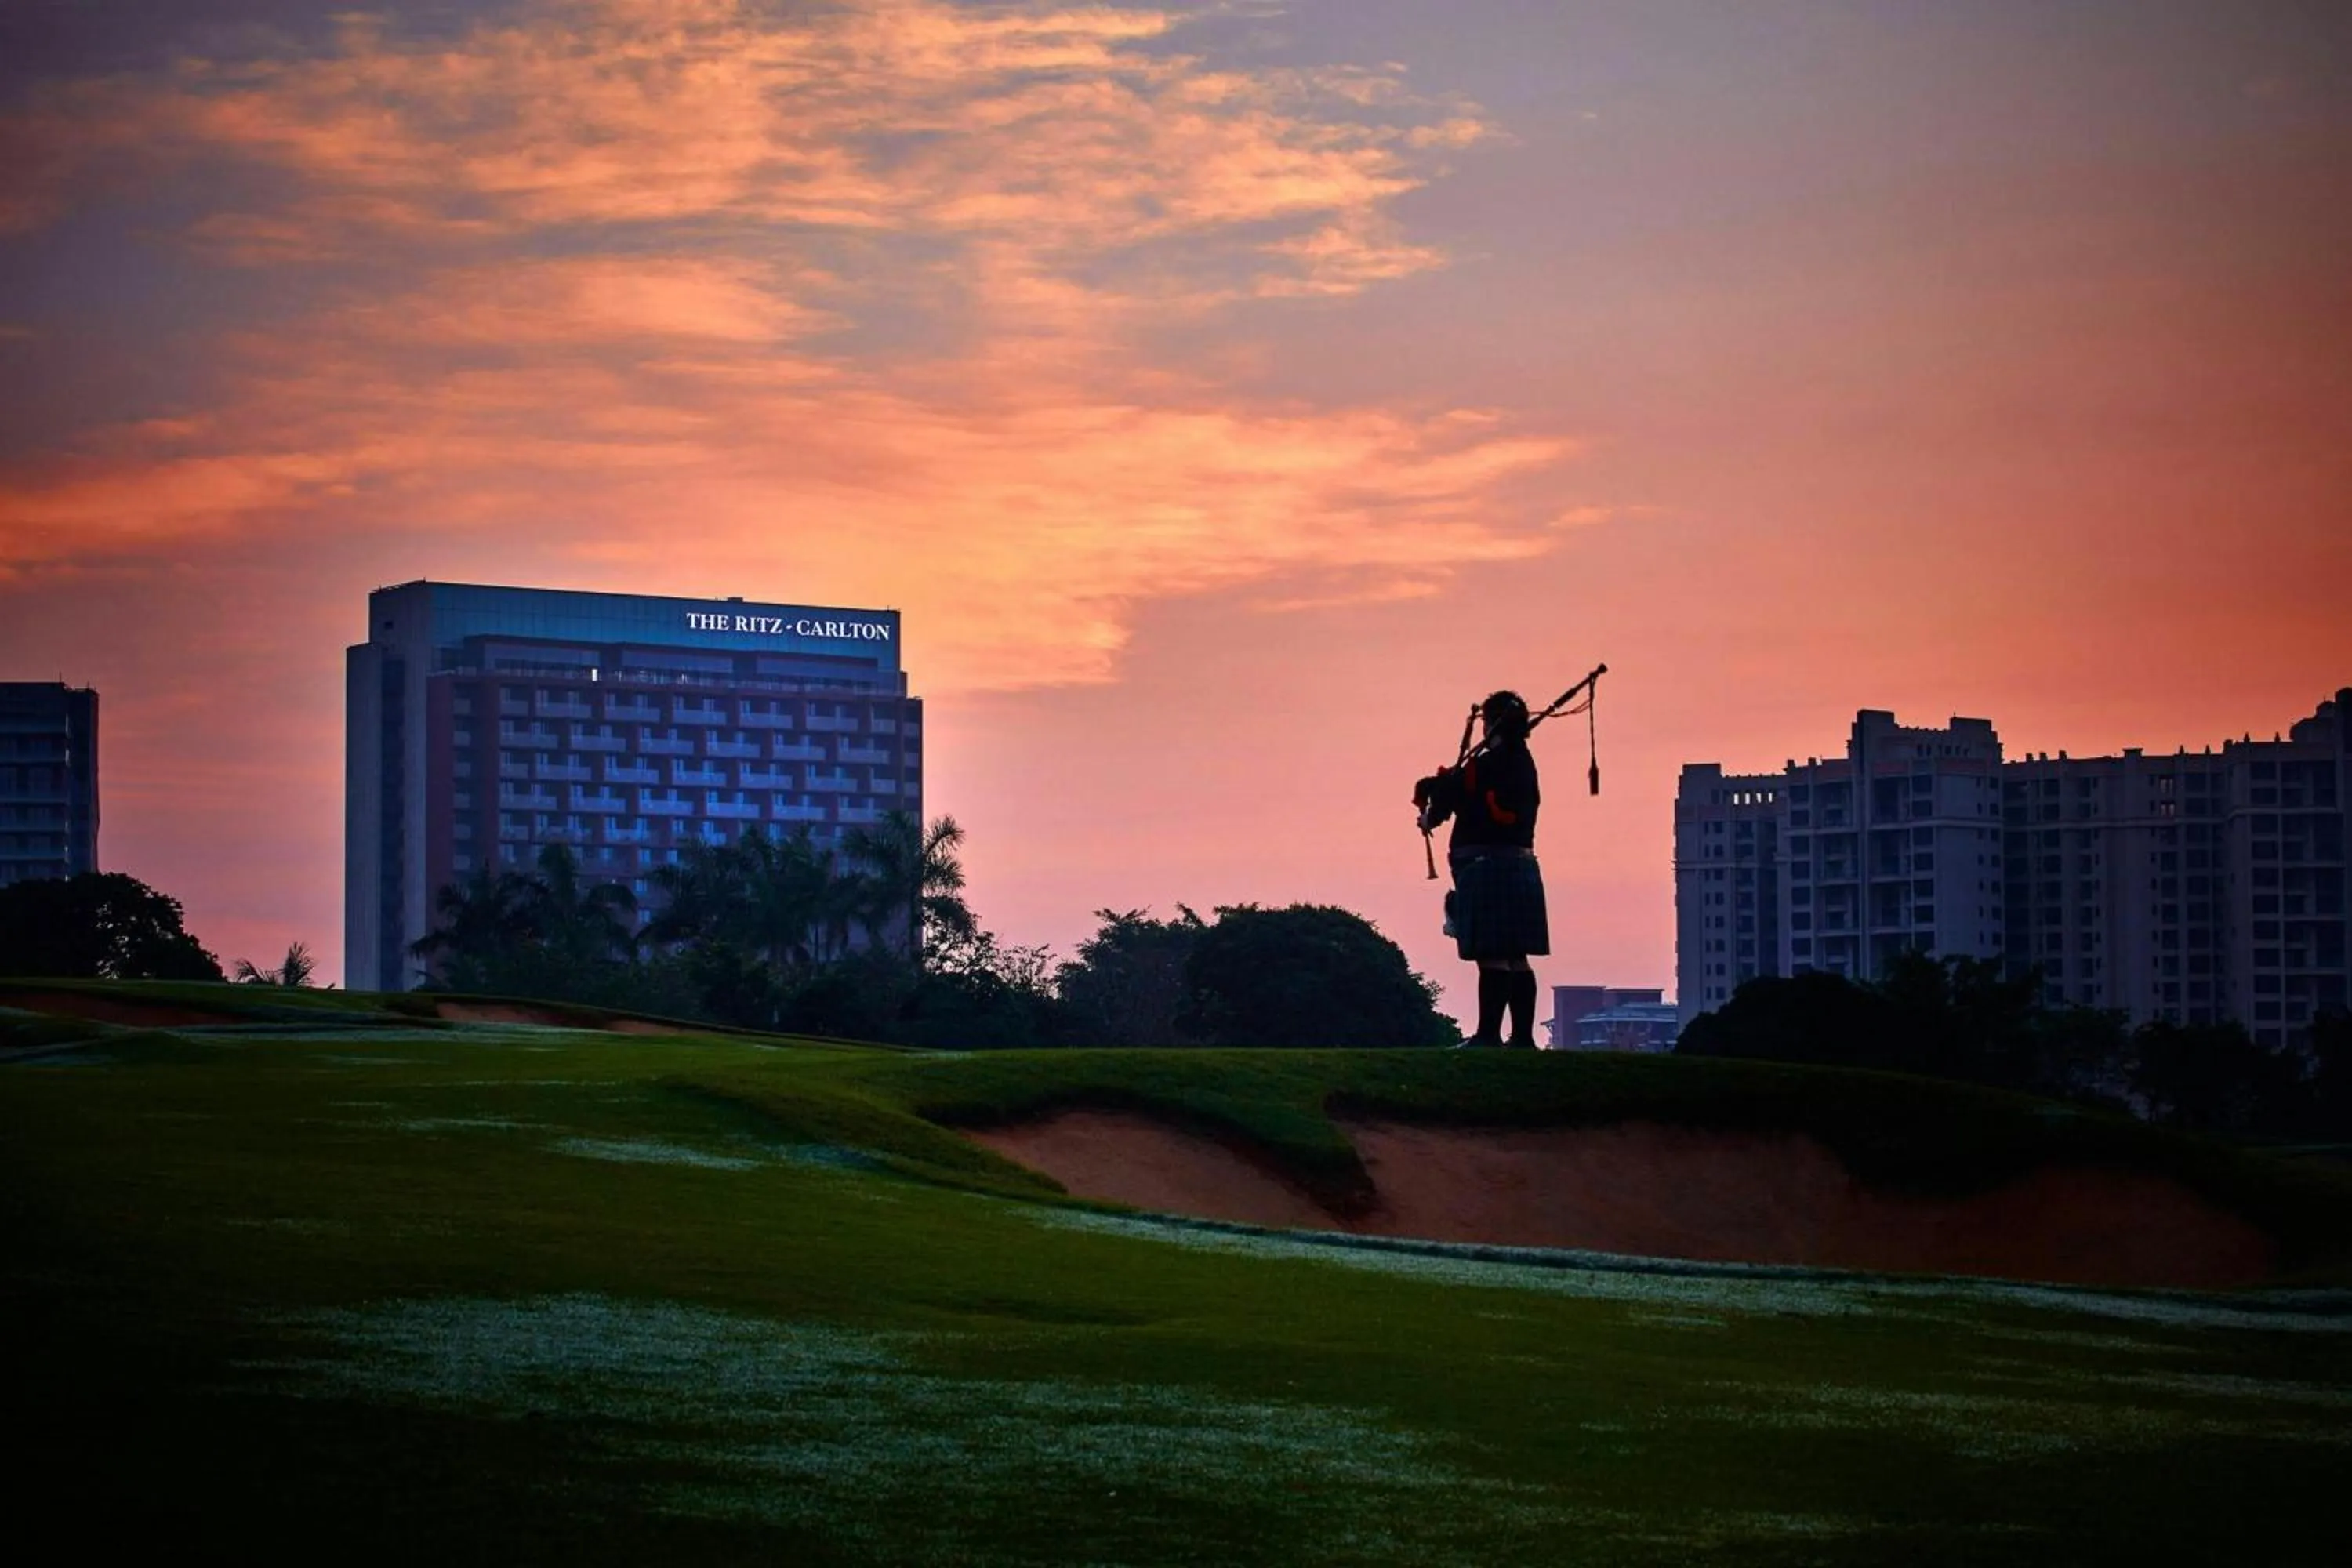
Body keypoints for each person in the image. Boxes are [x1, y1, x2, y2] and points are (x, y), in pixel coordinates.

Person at [1414, 691, 1548, 1048]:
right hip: (1520, 864)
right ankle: (1521, 1038)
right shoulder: (1523, 762)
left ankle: (1488, 1036)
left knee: (1491, 953)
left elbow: (1453, 793)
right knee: (1515, 955)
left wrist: (1430, 809)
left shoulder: (1488, 765)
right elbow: (1461, 787)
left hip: (1484, 867)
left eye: (1486, 722)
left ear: (1493, 724)